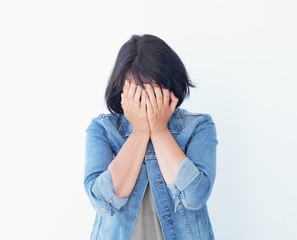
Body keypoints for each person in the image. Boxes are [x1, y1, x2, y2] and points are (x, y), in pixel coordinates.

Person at [83, 34, 218, 240]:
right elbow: (102, 201)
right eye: (135, 88)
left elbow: (195, 196)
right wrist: (139, 133)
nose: (145, 97)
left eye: (152, 88)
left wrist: (159, 131)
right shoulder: (103, 129)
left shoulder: (199, 126)